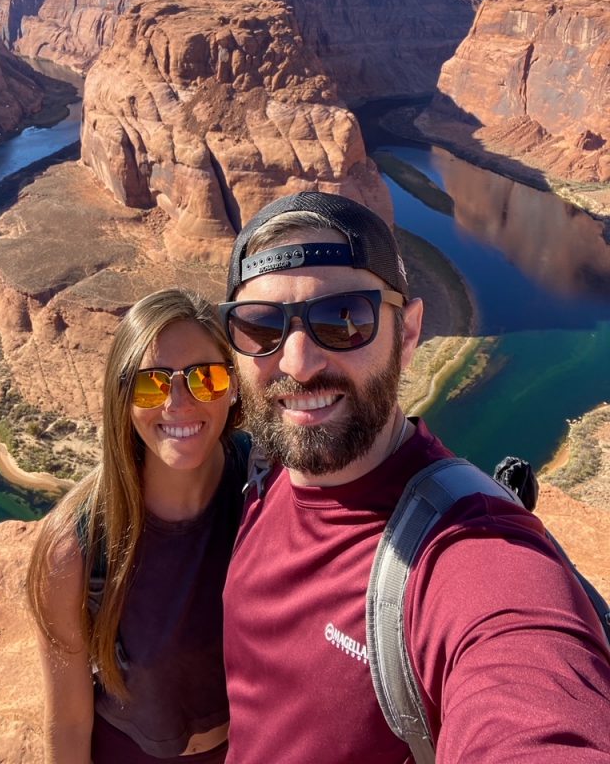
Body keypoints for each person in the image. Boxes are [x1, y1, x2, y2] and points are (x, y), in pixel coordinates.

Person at [218, 190, 610, 763]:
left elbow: (533, 700)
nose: (297, 364)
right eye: (260, 328)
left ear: (407, 334)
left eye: (344, 318)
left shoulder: (469, 551)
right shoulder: (258, 471)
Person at [28, 288, 245, 764]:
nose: (179, 403)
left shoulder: (267, 486)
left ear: (232, 385)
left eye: (204, 378)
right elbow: (67, 723)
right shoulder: (75, 547)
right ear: (123, 398)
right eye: (153, 384)